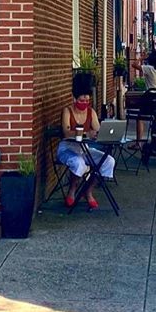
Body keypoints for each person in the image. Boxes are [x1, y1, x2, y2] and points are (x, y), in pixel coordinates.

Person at [56, 71, 115, 209]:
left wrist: (101, 133)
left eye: (87, 101)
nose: (84, 103)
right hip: (68, 148)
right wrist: (86, 134)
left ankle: (88, 190)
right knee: (78, 162)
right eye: (82, 101)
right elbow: (66, 133)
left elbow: (98, 130)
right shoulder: (67, 111)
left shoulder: (91, 112)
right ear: (75, 99)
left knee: (108, 161)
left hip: (85, 150)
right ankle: (72, 190)